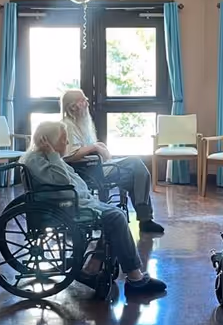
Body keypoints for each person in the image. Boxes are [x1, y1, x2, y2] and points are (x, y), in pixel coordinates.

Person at [23, 121, 167, 297]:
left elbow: (71, 180)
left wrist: (55, 157)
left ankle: (92, 268)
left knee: (116, 215)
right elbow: (62, 181)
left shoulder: (46, 159)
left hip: (77, 203)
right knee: (116, 217)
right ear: (50, 141)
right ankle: (135, 277)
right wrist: (53, 155)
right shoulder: (37, 160)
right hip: (68, 207)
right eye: (63, 140)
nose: (66, 144)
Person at [59, 89, 164, 234]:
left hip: (94, 166)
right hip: (88, 170)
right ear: (72, 107)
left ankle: (145, 219)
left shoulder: (80, 124)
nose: (87, 102)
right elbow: (70, 155)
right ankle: (145, 219)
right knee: (137, 166)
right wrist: (95, 147)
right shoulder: (68, 126)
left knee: (137, 174)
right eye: (83, 100)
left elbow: (84, 147)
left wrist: (98, 146)